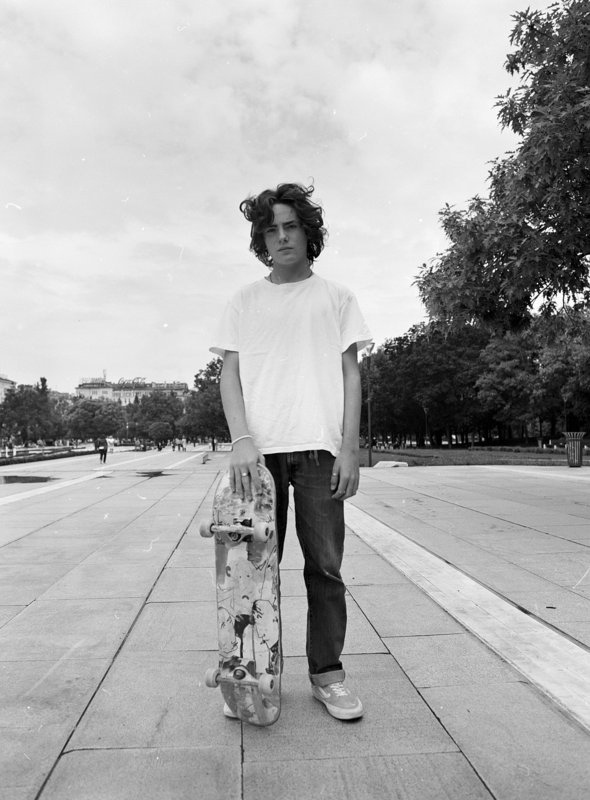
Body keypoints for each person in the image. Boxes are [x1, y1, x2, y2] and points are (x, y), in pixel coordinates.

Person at [211, 182, 372, 721]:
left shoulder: (336, 297)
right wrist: (240, 439)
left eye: (291, 227)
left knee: (325, 568)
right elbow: (229, 375)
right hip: (258, 460)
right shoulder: (243, 300)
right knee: (256, 572)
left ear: (308, 233)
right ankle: (255, 677)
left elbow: (351, 376)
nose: (282, 237)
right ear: (261, 240)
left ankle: (328, 677)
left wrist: (349, 448)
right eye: (271, 230)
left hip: (320, 452)